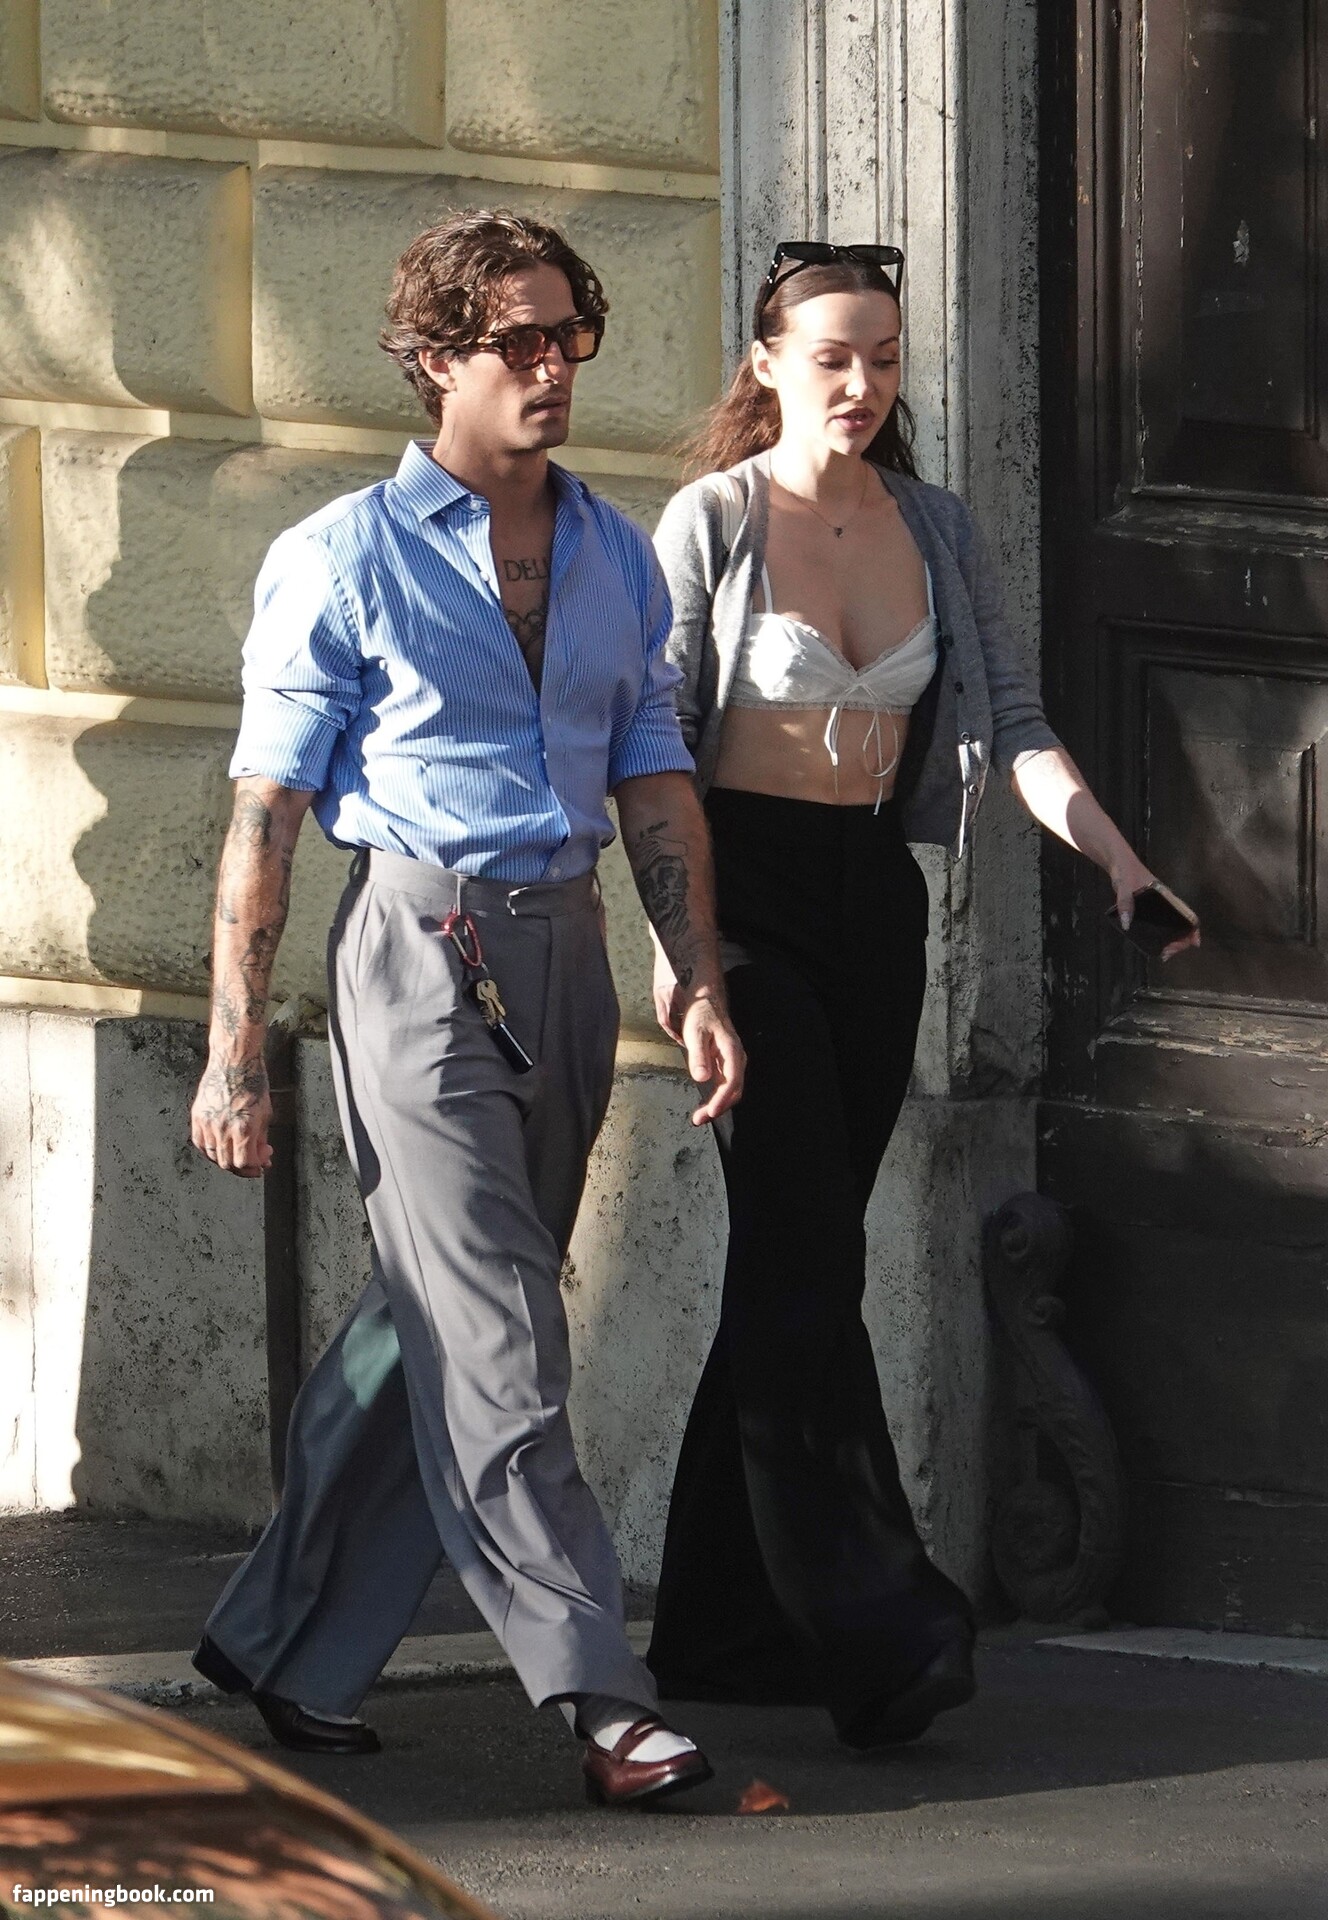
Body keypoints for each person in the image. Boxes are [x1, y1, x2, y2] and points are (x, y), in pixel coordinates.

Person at [188, 208, 744, 1809]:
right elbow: (267, 813)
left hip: (564, 952)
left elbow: (654, 775)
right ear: (435, 360)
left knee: (428, 1313)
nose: (553, 366)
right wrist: (234, 1049)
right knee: (500, 1329)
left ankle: (284, 1639)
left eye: (571, 334)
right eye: (519, 340)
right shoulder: (340, 557)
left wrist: (698, 973)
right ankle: (601, 1694)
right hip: (419, 953)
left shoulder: (615, 554)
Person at [645, 240, 1199, 1749]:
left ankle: (716, 1623)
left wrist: (1120, 865)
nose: (862, 385)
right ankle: (880, 1625)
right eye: (832, 356)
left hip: (872, 911)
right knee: (805, 1251)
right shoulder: (713, 522)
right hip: (743, 910)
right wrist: (688, 960)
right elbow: (653, 749)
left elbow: (1013, 724)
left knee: (797, 1255)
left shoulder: (937, 526)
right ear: (766, 364)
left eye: (884, 358)